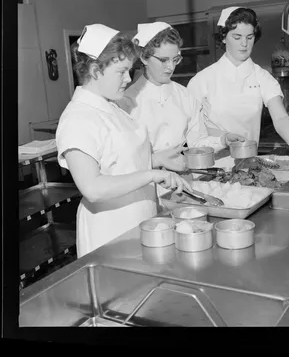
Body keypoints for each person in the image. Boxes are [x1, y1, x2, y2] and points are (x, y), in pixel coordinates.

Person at [56, 24, 191, 258]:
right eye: (121, 71)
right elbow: (93, 188)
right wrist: (151, 174)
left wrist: (157, 160)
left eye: (129, 70)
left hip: (140, 220)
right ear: (96, 70)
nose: (129, 79)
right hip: (109, 232)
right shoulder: (78, 118)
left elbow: (119, 161)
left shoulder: (111, 107)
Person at [115, 21, 245, 178]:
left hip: (182, 181)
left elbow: (196, 143)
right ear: (144, 57)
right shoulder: (125, 102)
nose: (170, 67)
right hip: (144, 184)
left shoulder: (185, 96)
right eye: (163, 60)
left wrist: (223, 140)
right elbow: (121, 160)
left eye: (175, 59)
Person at [187, 7, 289, 162]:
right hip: (211, 164)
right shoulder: (201, 81)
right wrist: (222, 138)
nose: (244, 44)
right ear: (223, 37)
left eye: (249, 37)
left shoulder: (262, 77)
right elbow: (193, 132)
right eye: (237, 37)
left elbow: (281, 117)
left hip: (248, 164)